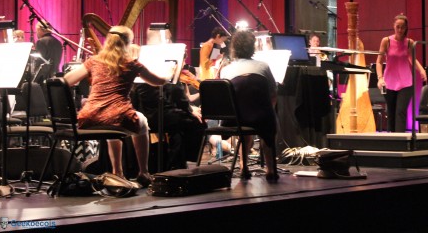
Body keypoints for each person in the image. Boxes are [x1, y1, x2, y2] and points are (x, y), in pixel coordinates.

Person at [64, 25, 172, 187]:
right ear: (127, 43)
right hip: (118, 115)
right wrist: (169, 74)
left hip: (89, 117)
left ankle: (117, 172)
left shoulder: (93, 61)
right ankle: (143, 172)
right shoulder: (131, 63)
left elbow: (66, 80)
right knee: (141, 121)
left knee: (110, 122)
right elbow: (158, 81)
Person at [132, 28, 207, 171]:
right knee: (197, 122)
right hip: (158, 114)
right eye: (169, 38)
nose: (171, 41)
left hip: (144, 112)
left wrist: (187, 109)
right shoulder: (164, 58)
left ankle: (176, 163)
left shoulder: (142, 57)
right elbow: (176, 91)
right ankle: (181, 164)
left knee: (178, 128)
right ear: (163, 38)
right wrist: (189, 110)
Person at [220, 30, 278, 181]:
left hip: (235, 119)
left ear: (233, 48)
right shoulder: (263, 67)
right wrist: (268, 112)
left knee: (244, 128)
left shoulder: (226, 70)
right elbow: (273, 93)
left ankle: (243, 166)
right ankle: (271, 169)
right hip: (261, 117)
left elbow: (224, 98)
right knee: (267, 126)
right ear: (253, 47)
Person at [376, 14, 427, 132]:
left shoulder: (409, 42)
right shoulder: (386, 41)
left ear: (406, 28)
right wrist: (380, 78)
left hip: (406, 83)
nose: (400, 30)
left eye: (402, 27)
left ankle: (400, 139)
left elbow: (412, 59)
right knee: (391, 112)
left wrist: (422, 70)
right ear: (394, 26)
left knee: (400, 112)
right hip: (389, 83)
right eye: (397, 27)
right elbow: (379, 61)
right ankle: (392, 139)